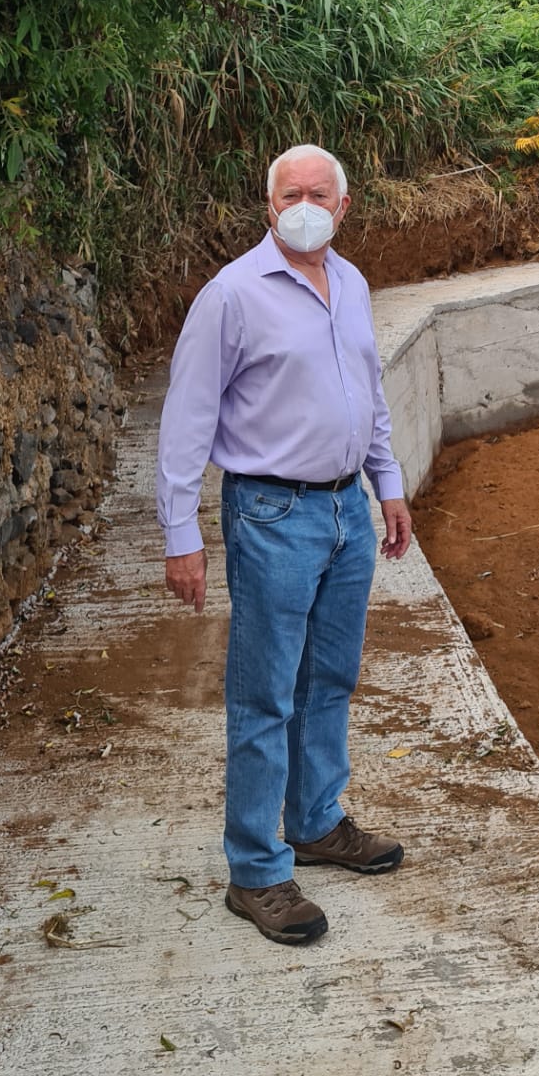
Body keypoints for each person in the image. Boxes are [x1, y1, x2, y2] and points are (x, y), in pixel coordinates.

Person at [156, 145, 413, 946]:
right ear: (268, 207)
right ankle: (257, 870)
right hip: (271, 514)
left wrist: (388, 481)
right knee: (265, 694)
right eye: (289, 194)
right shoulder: (232, 295)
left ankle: (315, 820)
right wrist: (180, 533)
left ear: (344, 206)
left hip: (345, 512)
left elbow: (368, 395)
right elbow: (186, 416)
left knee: (329, 679)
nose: (303, 206)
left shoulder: (353, 283)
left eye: (318, 194)